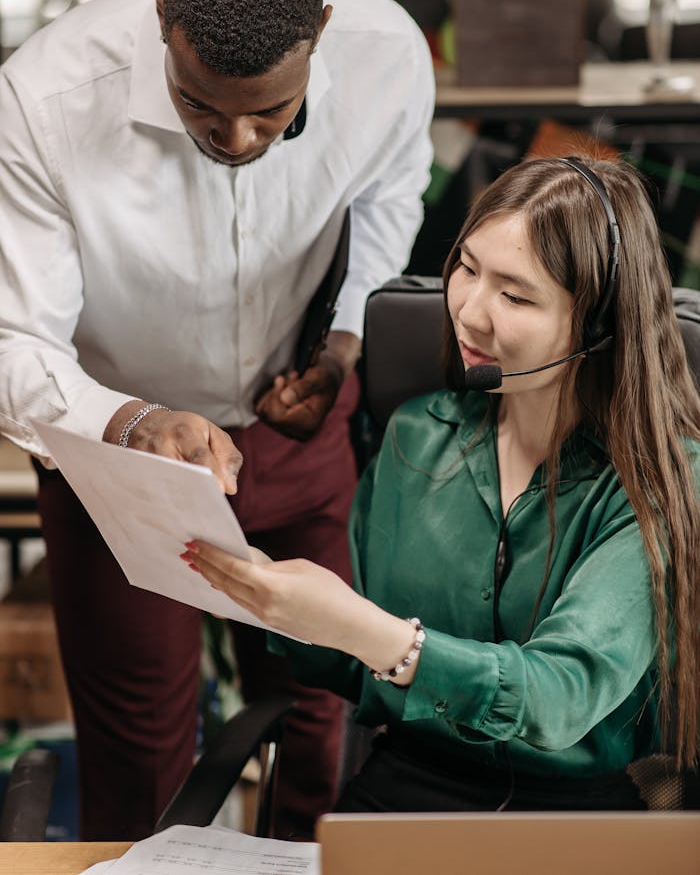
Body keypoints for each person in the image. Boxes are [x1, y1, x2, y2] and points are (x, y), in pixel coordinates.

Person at [0, 0, 434, 839]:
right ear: (163, 16)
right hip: (117, 453)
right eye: (199, 104)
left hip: (299, 428)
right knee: (142, 755)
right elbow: (13, 341)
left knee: (326, 725)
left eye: (270, 114)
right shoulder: (45, 96)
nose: (235, 138)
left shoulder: (388, 56)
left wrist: (343, 344)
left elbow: (391, 195)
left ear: (320, 33)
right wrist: (134, 422)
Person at [185, 155, 700, 813]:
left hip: (569, 818)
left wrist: (372, 632)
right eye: (467, 268)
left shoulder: (659, 478)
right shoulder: (416, 434)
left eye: (515, 295)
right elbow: (359, 666)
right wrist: (270, 598)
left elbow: (558, 696)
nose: (470, 312)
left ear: (598, 326)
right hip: (400, 792)